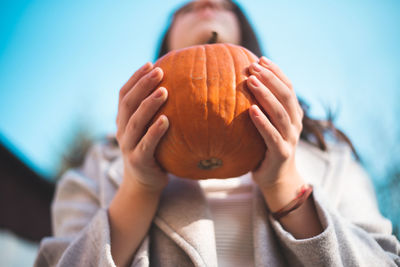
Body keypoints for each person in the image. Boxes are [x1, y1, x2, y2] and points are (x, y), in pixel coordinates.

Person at [35, 0, 400, 266]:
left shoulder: (331, 158)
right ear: (164, 50)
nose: (206, 3)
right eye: (188, 8)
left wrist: (286, 185)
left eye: (223, 5)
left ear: (246, 36)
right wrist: (138, 189)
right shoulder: (101, 164)